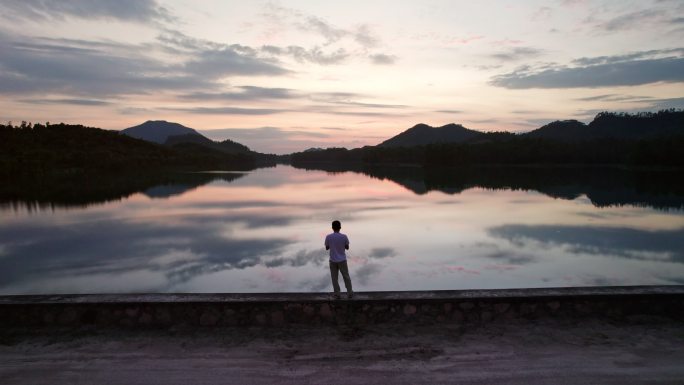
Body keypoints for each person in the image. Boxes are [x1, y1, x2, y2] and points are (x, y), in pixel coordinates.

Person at [325, 220, 353, 299]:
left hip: (333, 260)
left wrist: (332, 245)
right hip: (342, 260)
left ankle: (337, 293)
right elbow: (347, 247)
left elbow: (327, 248)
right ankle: (350, 292)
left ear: (332, 228)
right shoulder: (344, 236)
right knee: (346, 276)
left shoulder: (328, 237)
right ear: (340, 227)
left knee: (334, 278)